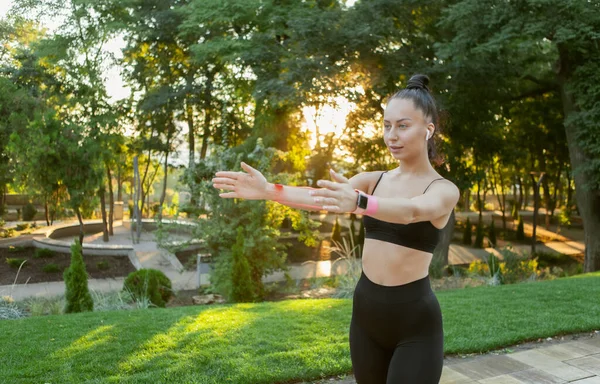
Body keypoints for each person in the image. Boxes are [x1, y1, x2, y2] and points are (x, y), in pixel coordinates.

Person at [211, 74, 460, 384]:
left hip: (415, 322)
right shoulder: (374, 179)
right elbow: (319, 199)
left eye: (403, 126)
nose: (392, 135)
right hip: (366, 315)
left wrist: (359, 201)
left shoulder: (443, 189)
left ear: (428, 130)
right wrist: (268, 190)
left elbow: (411, 212)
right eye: (387, 125)